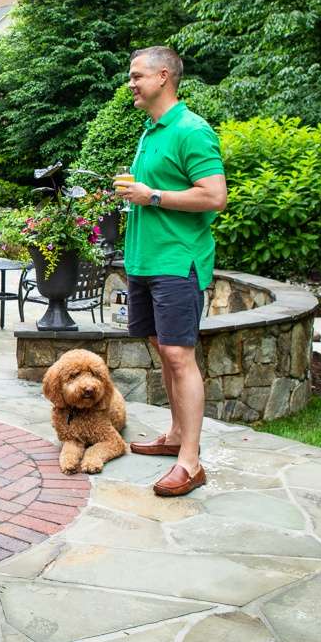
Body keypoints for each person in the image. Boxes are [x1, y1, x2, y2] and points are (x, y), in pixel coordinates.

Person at [115, 46, 227, 497]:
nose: (131, 83)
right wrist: (139, 194)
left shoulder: (192, 130)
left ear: (164, 77)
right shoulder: (149, 130)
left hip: (177, 262)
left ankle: (191, 462)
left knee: (180, 356)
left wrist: (153, 196)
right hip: (145, 260)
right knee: (163, 350)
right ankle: (176, 435)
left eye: (137, 75)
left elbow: (214, 196)